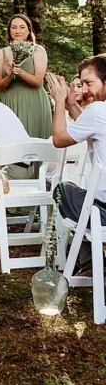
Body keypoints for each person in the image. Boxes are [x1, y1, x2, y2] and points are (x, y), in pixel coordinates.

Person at [48, 57, 106, 274]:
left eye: (89, 83)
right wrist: (72, 104)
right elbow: (90, 128)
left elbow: (59, 139)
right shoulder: (98, 112)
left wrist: (60, 103)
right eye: (82, 84)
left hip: (103, 213)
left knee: (62, 190)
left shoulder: (98, 109)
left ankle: (92, 261)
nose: (85, 89)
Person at [0, 14, 51, 138]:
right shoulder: (3, 52)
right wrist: (9, 75)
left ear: (29, 30)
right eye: (14, 27)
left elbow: (37, 81)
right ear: (9, 30)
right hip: (11, 100)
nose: (18, 31)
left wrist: (19, 71)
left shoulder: (38, 50)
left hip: (33, 100)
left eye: (22, 27)